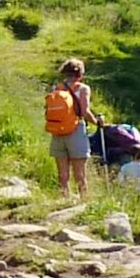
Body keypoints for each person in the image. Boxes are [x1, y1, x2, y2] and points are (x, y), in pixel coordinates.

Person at [44, 58, 95, 194]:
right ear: (81, 74)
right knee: (79, 173)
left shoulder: (57, 88)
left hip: (57, 131)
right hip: (75, 130)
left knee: (63, 174)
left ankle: (64, 198)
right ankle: (84, 200)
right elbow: (85, 112)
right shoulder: (83, 88)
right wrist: (97, 122)